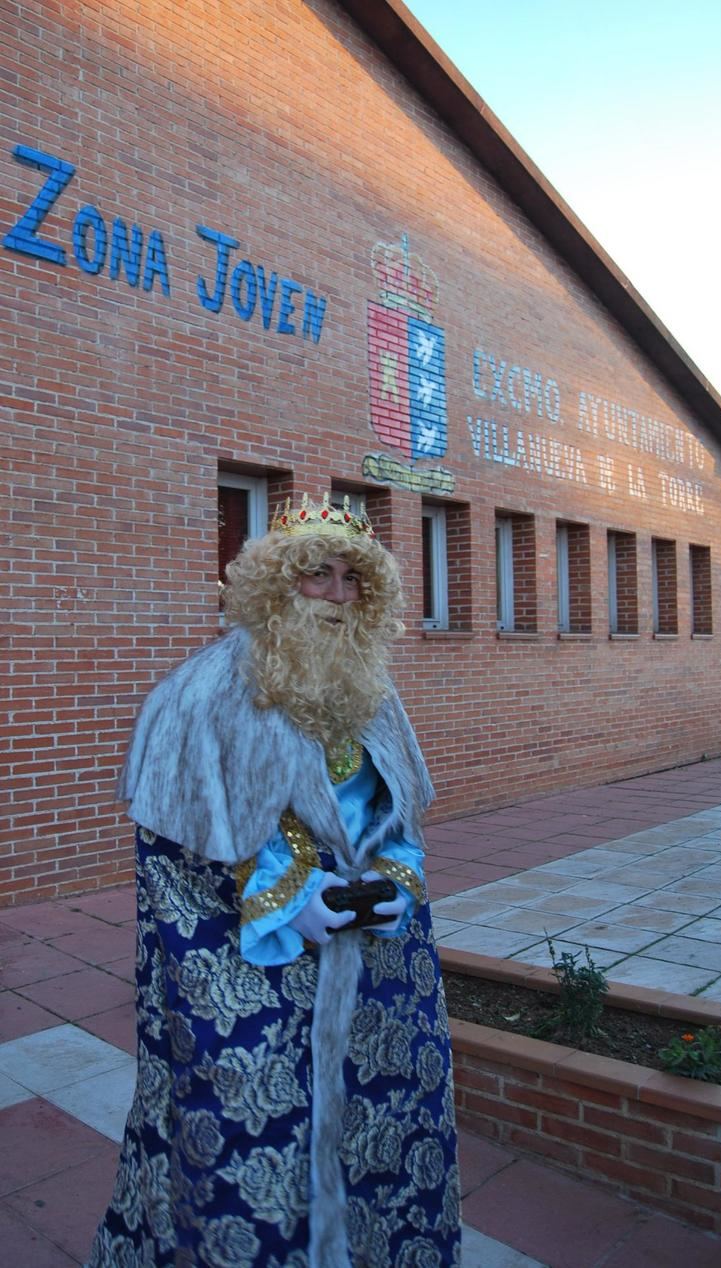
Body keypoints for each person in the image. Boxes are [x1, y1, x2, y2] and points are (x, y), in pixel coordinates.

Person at [87, 493, 461, 1268]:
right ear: (274, 585)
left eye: (351, 580)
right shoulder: (198, 692)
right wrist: (288, 899)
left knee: (387, 1129)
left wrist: (397, 877)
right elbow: (178, 840)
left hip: (375, 968)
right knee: (248, 1152)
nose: (335, 594)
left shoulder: (371, 694)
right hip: (254, 974)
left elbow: (400, 816)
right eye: (315, 576)